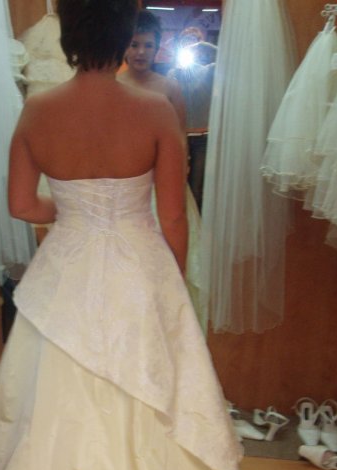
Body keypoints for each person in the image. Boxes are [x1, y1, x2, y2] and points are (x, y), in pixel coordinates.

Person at [0, 1, 288, 470]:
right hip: (137, 263)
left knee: (43, 401)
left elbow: (20, 204)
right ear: (126, 37)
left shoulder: (37, 111)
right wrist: (172, 281)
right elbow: (172, 214)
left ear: (67, 35)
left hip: (66, 268)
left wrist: (72, 211)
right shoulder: (153, 110)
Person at [118, 9, 204, 325]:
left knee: (170, 255)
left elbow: (180, 139)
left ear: (158, 48)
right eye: (134, 44)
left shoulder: (170, 88)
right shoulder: (113, 86)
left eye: (148, 45)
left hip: (165, 184)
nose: (141, 52)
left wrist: (178, 175)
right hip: (128, 188)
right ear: (124, 46)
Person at [168, 26, 217, 211]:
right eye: (185, 43)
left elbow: (230, 60)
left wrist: (205, 46)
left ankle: (197, 223)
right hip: (180, 137)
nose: (189, 46)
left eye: (193, 43)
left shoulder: (210, 70)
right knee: (178, 185)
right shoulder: (174, 74)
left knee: (197, 188)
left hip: (203, 139)